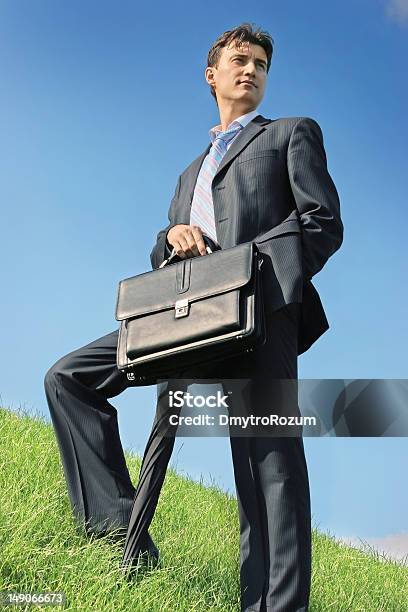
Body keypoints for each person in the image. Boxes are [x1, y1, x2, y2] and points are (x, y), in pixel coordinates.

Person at [44, 22, 343, 612]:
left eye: (260, 63)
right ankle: (115, 531)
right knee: (69, 378)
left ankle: (275, 606)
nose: (250, 69)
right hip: (186, 316)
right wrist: (170, 237)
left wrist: (248, 267)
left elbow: (322, 225)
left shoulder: (290, 134)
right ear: (212, 74)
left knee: (267, 463)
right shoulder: (189, 175)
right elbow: (168, 260)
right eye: (239, 59)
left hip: (261, 311)